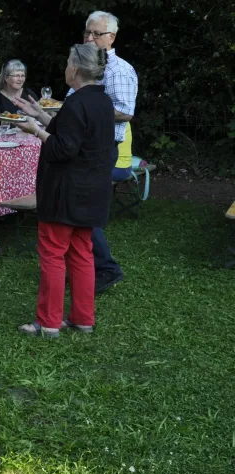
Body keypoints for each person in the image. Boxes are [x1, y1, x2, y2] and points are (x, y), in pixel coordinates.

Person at [13, 43, 116, 338]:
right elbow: (72, 131)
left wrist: (35, 131)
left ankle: (48, 322)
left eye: (68, 62)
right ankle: (83, 319)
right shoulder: (101, 101)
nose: (65, 67)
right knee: (82, 253)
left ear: (77, 69)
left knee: (53, 254)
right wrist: (39, 114)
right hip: (92, 190)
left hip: (65, 192)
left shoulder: (76, 102)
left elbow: (63, 147)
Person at [78, 10, 139, 293]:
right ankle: (82, 265)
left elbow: (125, 114)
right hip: (83, 145)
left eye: (96, 33)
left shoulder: (118, 70)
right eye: (87, 32)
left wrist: (87, 113)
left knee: (86, 207)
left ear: (111, 37)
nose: (89, 38)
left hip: (102, 148)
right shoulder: (90, 66)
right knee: (77, 205)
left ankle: (106, 268)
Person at [0, 59, 39, 130]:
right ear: (6, 78)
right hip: (6, 139)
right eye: (16, 76)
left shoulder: (29, 94)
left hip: (29, 136)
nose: (20, 79)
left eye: (22, 76)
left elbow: (40, 119)